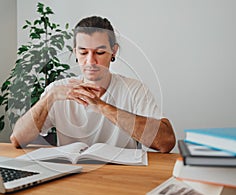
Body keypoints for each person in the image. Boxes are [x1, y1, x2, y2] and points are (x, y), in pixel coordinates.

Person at [10, 16, 176, 153]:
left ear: (114, 51)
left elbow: (166, 142)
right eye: (83, 52)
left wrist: (102, 106)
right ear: (75, 52)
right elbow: (18, 139)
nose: (91, 61)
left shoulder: (134, 90)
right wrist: (49, 98)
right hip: (69, 177)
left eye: (100, 52)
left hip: (122, 178)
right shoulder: (57, 90)